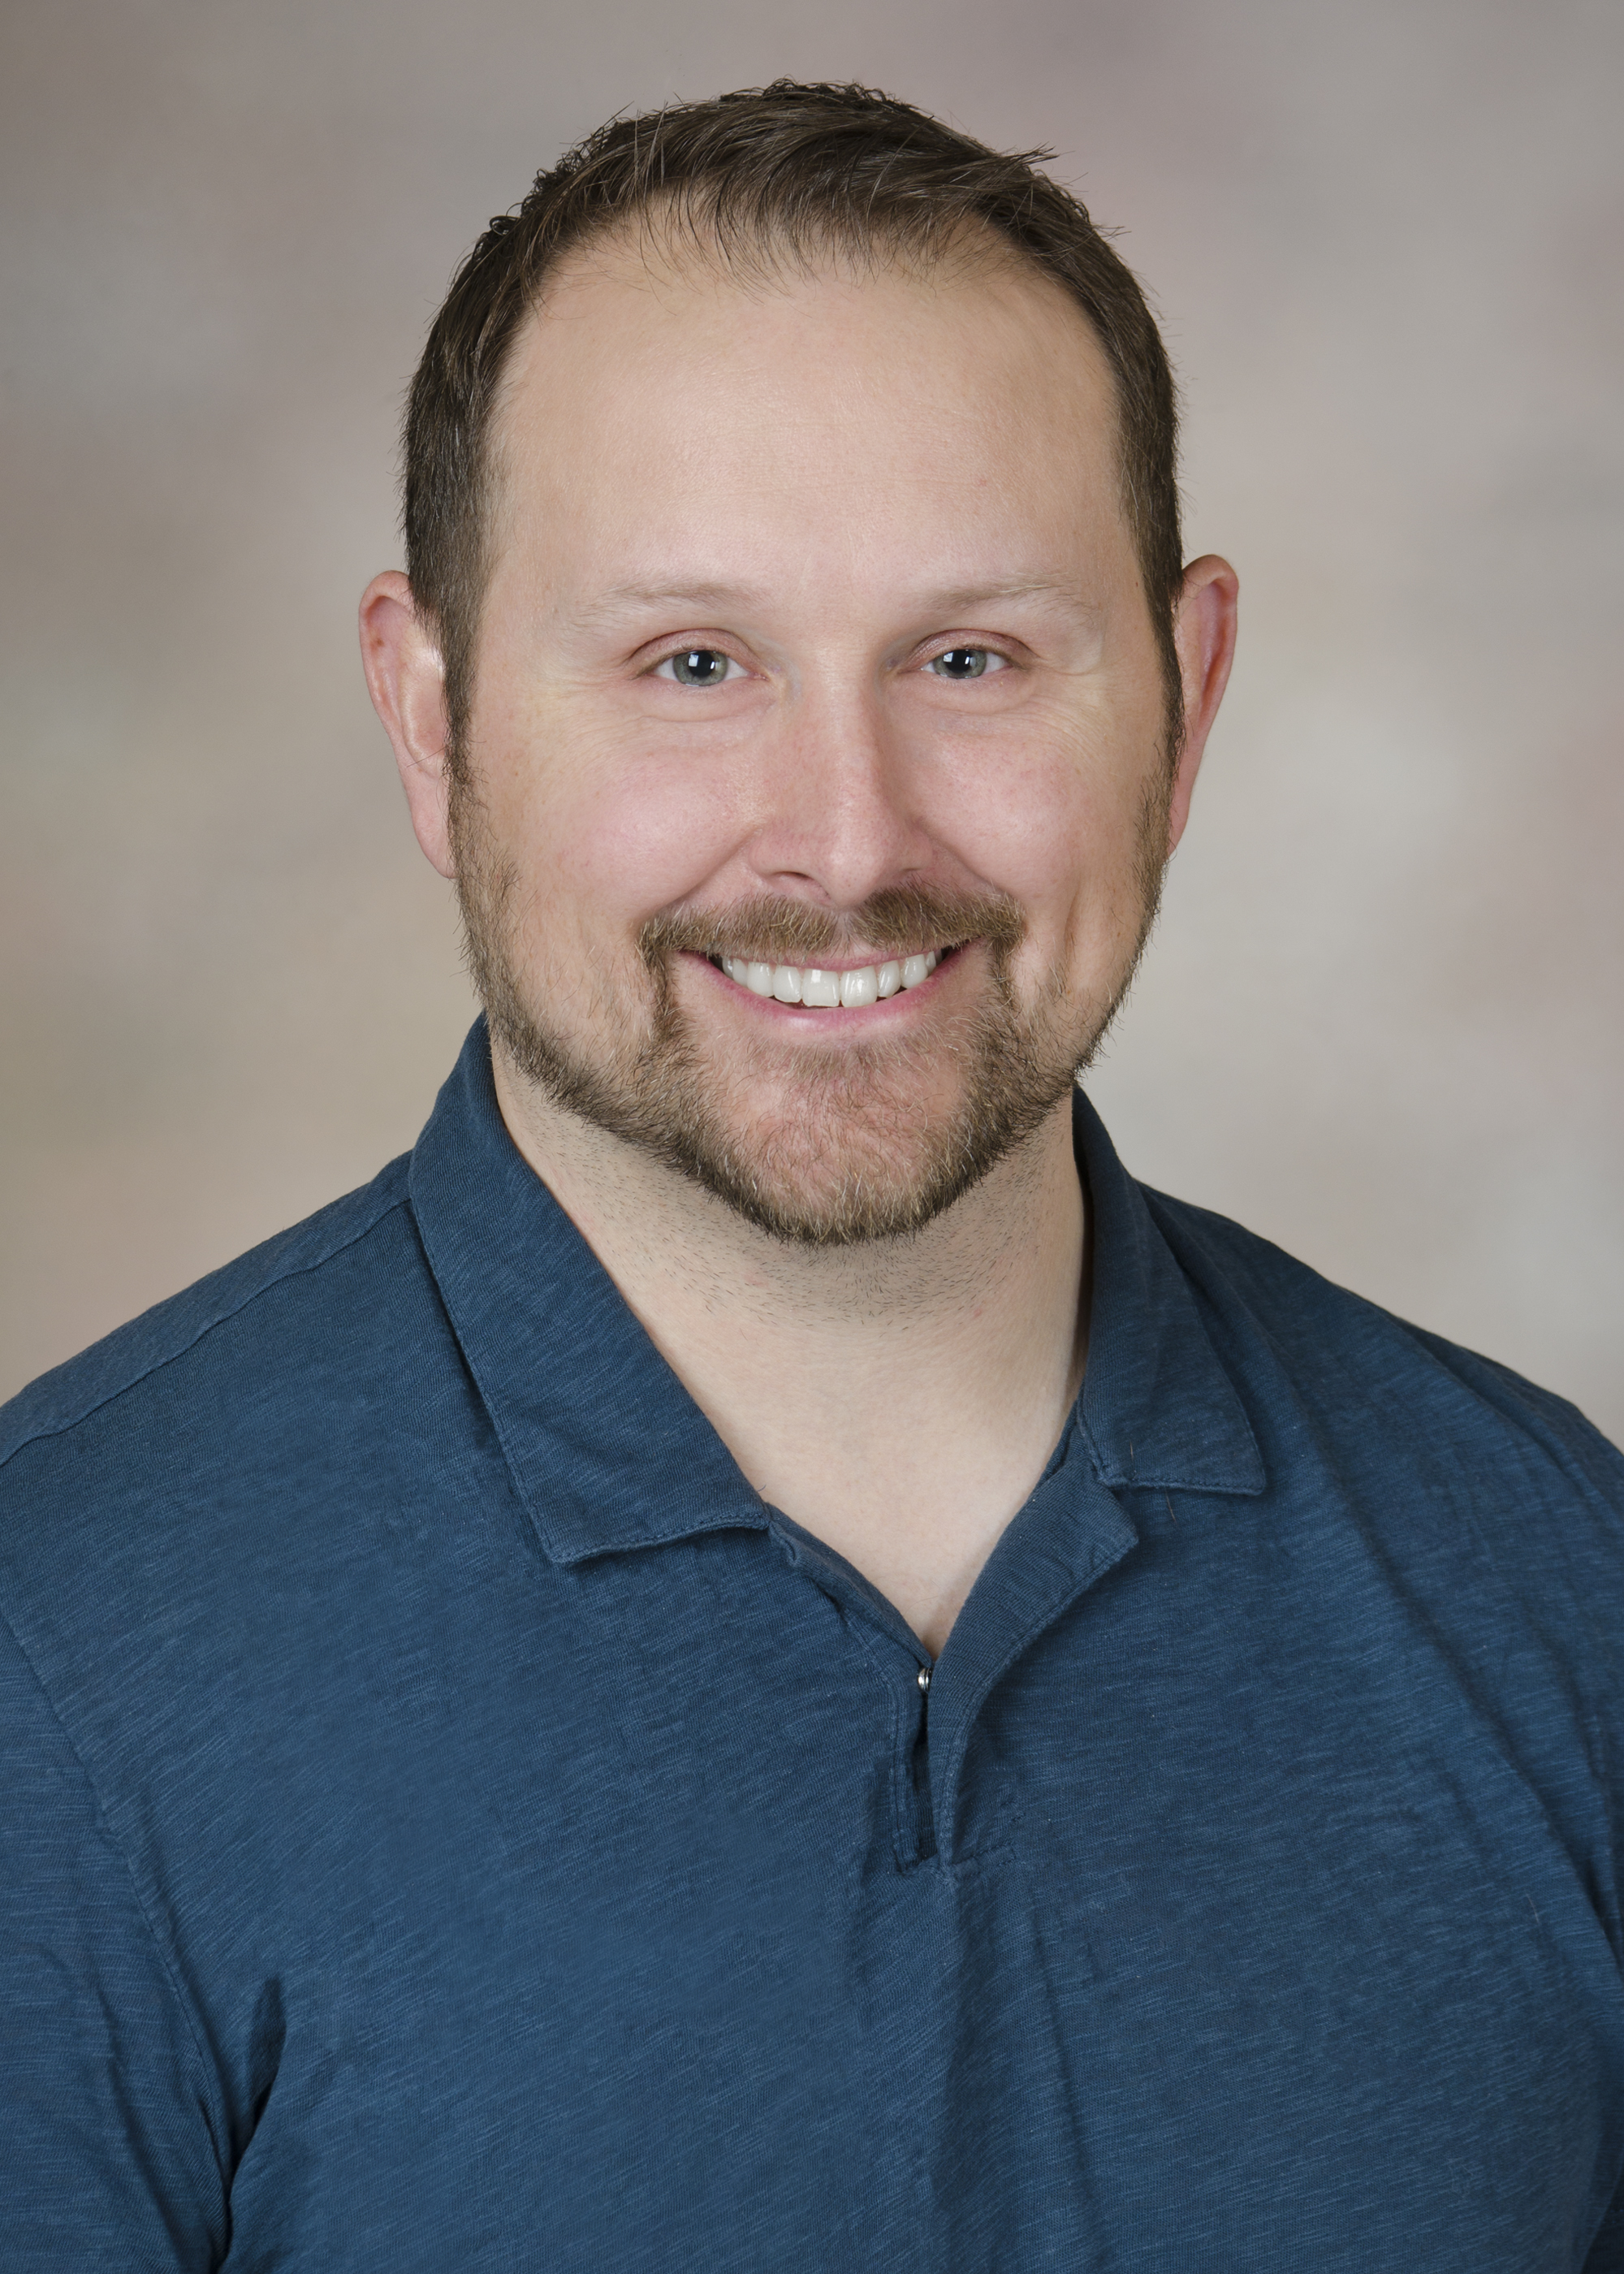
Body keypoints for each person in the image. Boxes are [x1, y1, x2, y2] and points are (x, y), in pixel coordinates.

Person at [2, 79, 1621, 2272]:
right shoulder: (53, 1664)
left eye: (972, 659)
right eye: (693, 664)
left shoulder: (1561, 1590)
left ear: (1186, 696)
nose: (846, 842)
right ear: (430, 719)